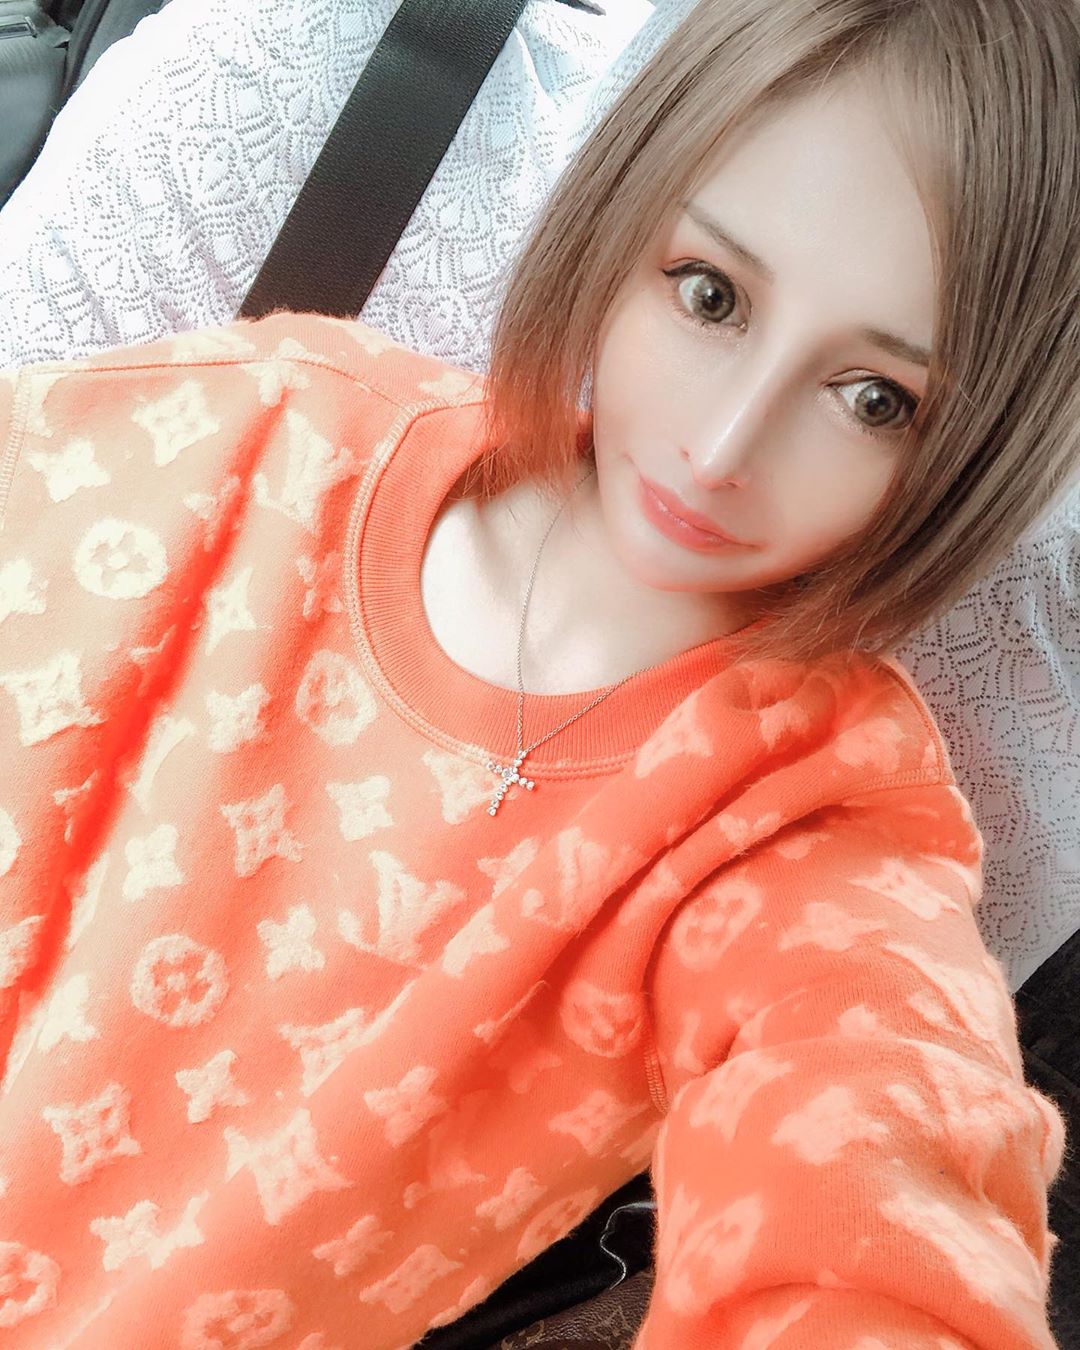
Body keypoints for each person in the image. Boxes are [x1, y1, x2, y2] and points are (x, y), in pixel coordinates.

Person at [0, 1, 1076, 1347]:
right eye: (711, 295)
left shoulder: (812, 820)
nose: (721, 448)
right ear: (623, 218)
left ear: (972, 452)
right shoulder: (262, 426)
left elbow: (879, 1164)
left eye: (875, 399)